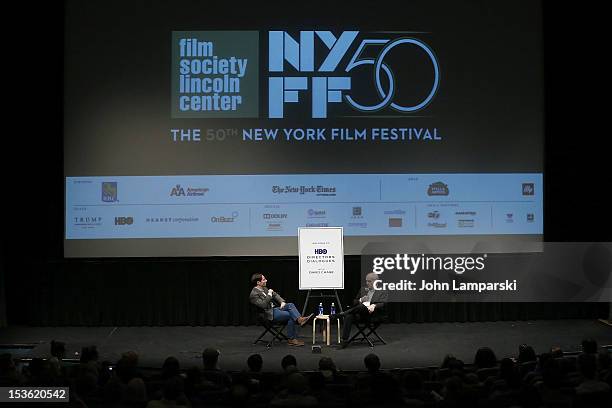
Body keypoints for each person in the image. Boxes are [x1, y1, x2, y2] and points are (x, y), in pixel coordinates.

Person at [249, 273, 313, 346]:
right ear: (258, 282)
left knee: (290, 305)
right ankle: (291, 339)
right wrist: (269, 294)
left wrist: (281, 301)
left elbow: (275, 294)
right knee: (291, 316)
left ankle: (299, 320)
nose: (266, 280)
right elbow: (263, 305)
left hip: (274, 309)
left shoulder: (264, 288)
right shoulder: (254, 294)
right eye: (264, 279)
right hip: (268, 314)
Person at [332, 272, 388, 347]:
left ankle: (342, 314)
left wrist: (374, 305)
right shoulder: (363, 289)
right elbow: (354, 302)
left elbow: (383, 303)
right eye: (366, 281)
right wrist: (360, 300)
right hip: (360, 314)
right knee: (349, 316)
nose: (367, 283)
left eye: (369, 281)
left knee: (361, 307)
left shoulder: (382, 291)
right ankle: (344, 341)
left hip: (373, 315)